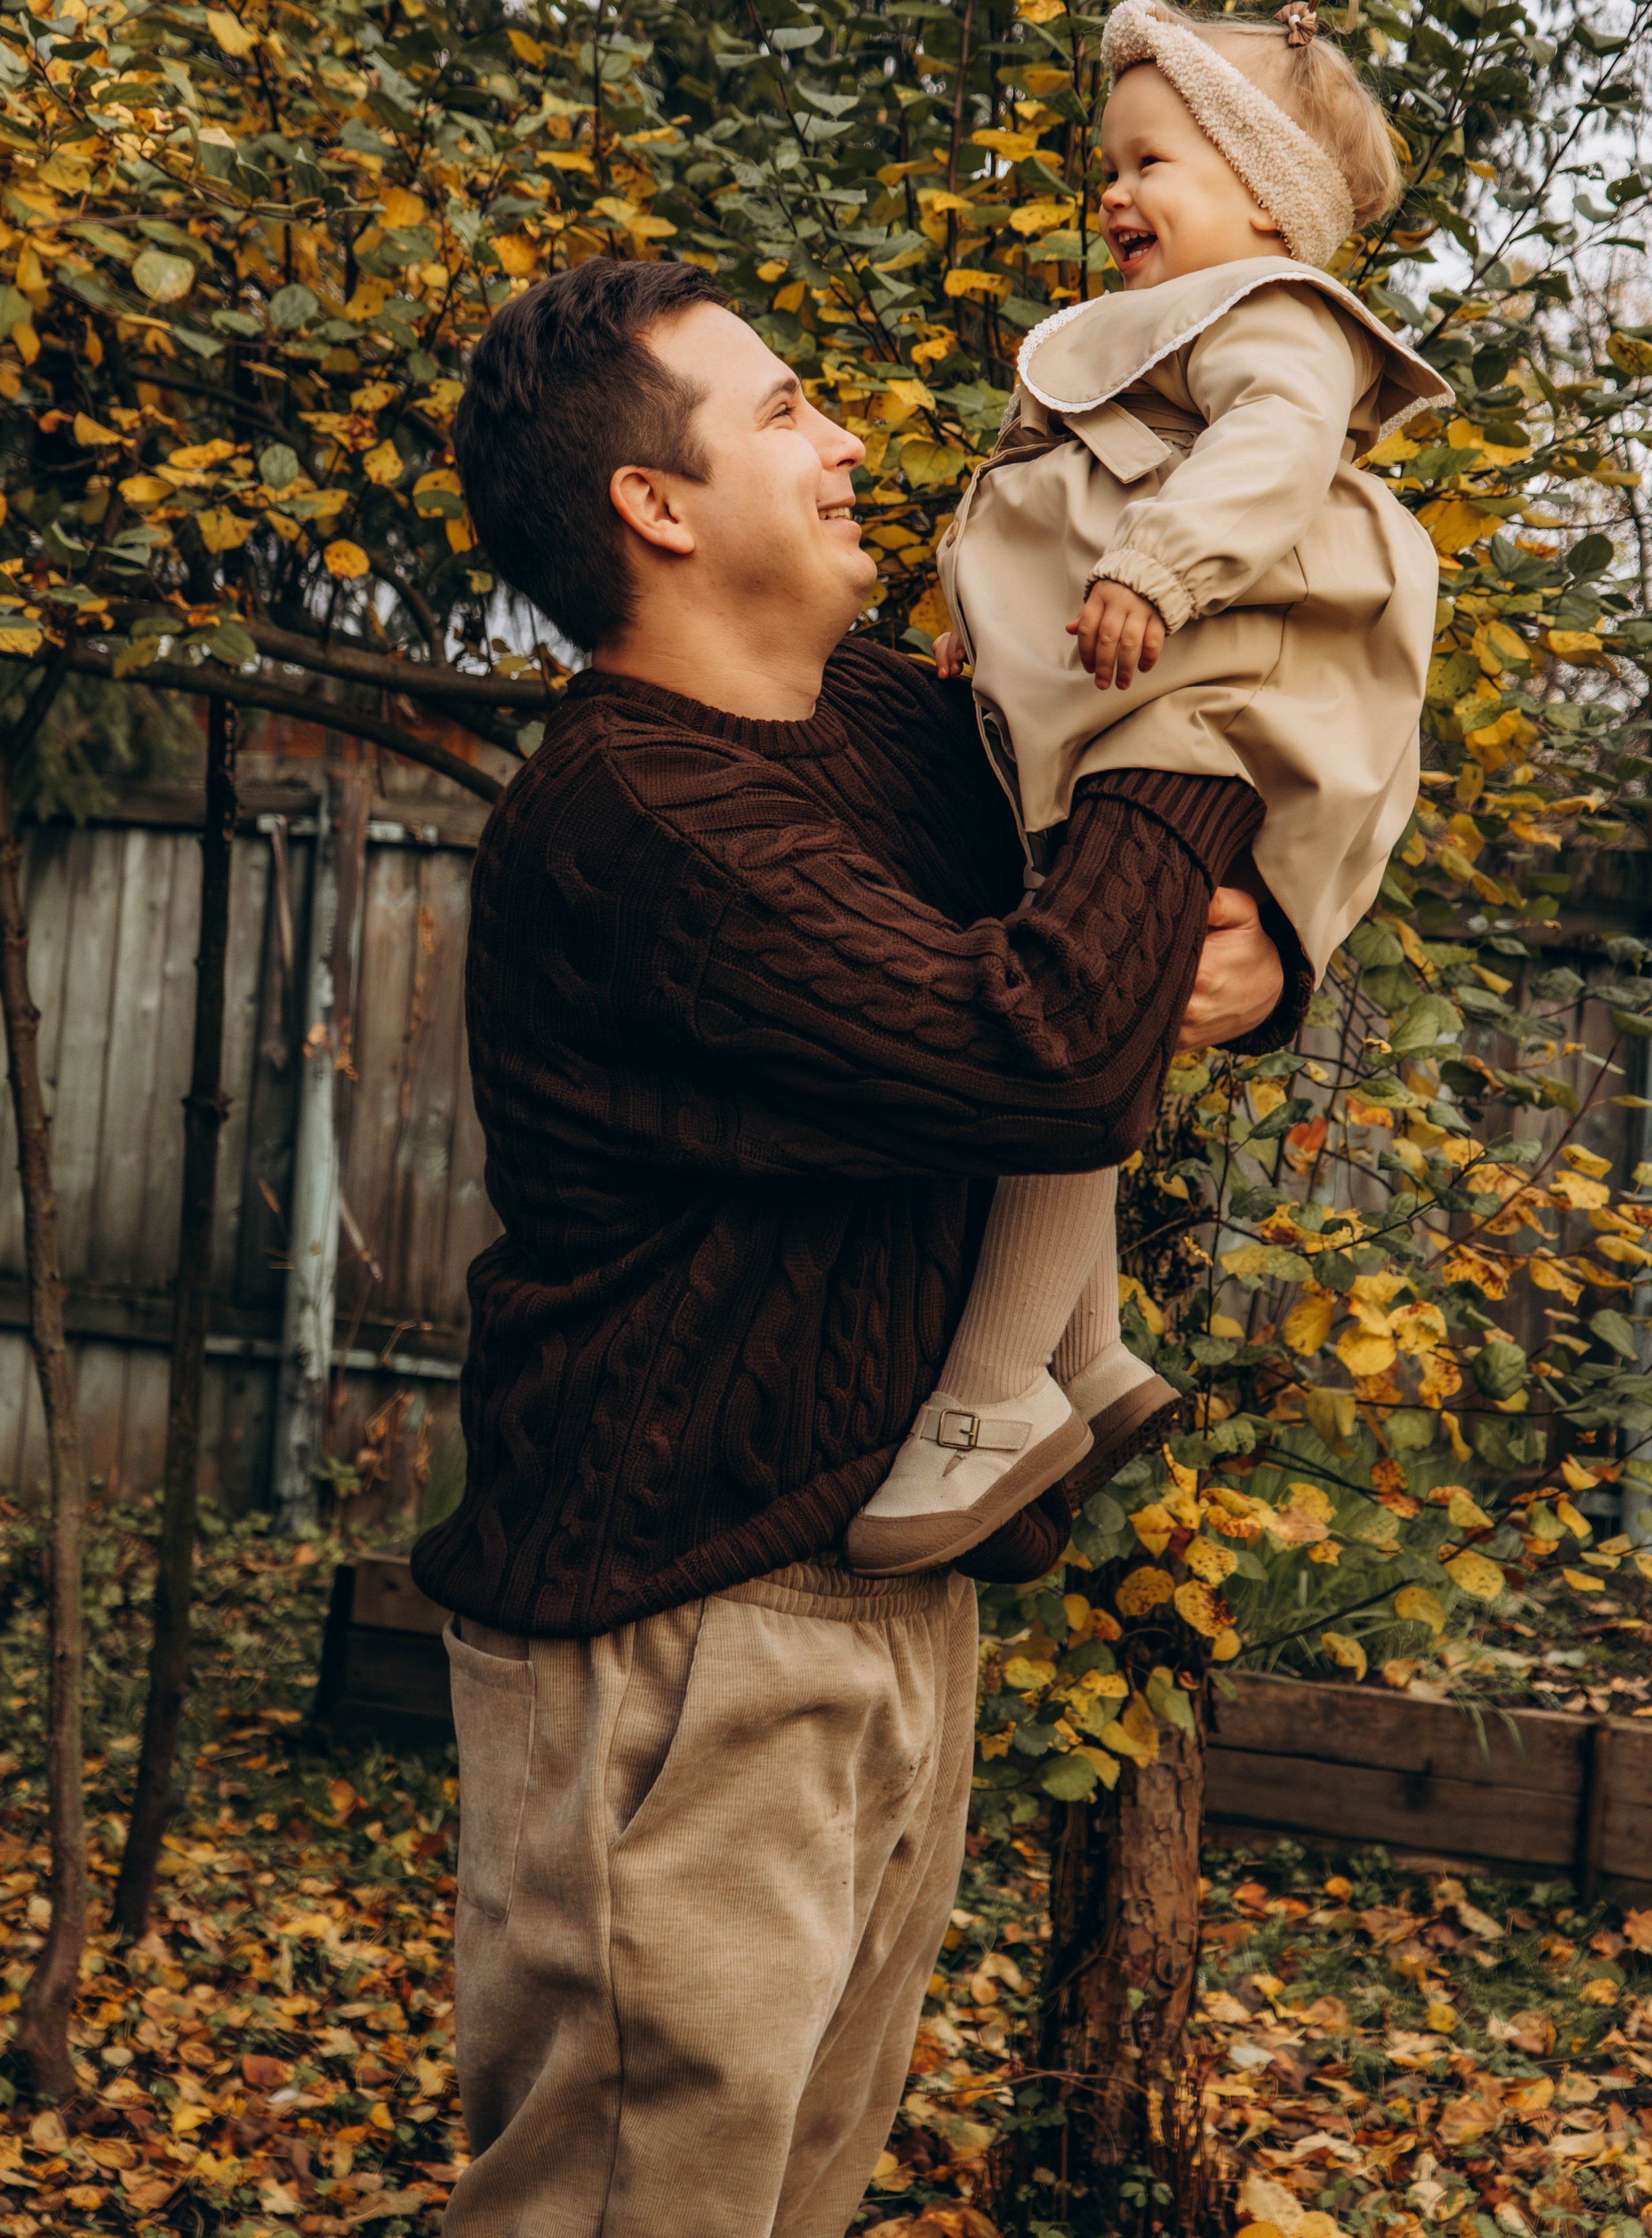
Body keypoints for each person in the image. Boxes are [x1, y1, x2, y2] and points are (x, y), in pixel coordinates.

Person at [411, 254, 1291, 2238]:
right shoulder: (641, 817)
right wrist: (1194, 725)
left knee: (787, 2204)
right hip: (680, 1629)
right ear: (655, 504)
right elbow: (1047, 1051)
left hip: (886, 1592)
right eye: (788, 409)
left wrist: (1263, 963)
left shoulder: (888, 723)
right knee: (635, 2213)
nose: (849, 440)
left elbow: (1108, 927)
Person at [847, 0, 1451, 1575]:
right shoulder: (1165, 331)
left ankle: (990, 1396)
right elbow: (1053, 523)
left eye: (1150, 162)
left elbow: (1266, 459)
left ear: (1263, 198)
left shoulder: (1271, 320)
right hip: (1147, 697)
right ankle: (1090, 1351)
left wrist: (1158, 572)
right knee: (1093, 996)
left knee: (1073, 1017)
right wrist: (991, 642)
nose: (1111, 193)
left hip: (1205, 701)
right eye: (1104, 164)